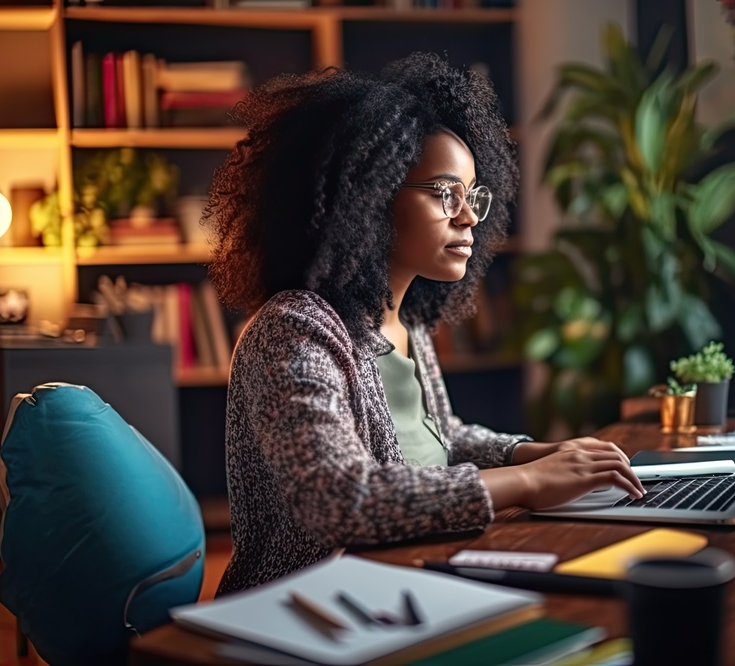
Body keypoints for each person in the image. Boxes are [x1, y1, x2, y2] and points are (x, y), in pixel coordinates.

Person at [205, 52, 645, 595]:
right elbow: (341, 500)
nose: (468, 217)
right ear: (368, 195)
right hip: (313, 605)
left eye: (473, 197)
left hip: (409, 576)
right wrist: (528, 482)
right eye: (444, 194)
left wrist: (529, 453)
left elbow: (437, 439)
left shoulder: (405, 322)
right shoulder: (293, 330)